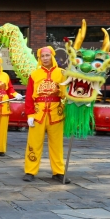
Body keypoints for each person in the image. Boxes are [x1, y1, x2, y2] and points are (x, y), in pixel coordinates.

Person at [23, 47, 70, 184]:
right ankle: (30, 171)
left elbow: (66, 93)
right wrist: (30, 114)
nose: (45, 58)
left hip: (56, 112)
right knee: (33, 143)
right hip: (38, 113)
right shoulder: (34, 74)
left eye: (47, 55)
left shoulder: (61, 73)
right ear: (39, 58)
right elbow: (29, 97)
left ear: (52, 56)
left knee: (57, 144)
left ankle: (59, 172)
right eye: (42, 56)